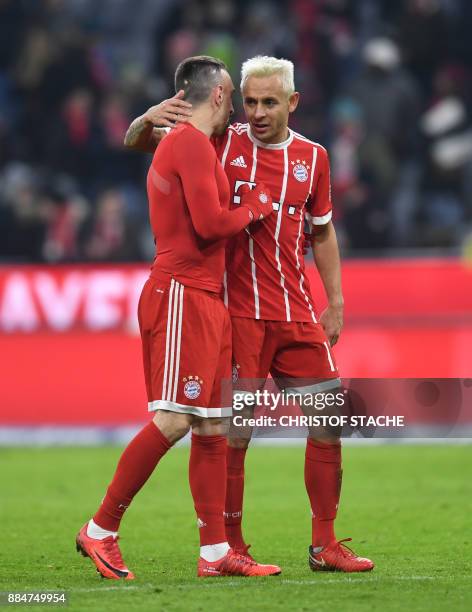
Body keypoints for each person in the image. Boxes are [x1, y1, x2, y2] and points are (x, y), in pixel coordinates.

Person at [125, 55, 374, 573]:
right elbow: (143, 145)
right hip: (236, 314)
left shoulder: (315, 157)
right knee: (234, 432)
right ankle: (231, 545)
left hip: (296, 311)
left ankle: (324, 544)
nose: (257, 112)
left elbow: (322, 232)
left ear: (293, 102)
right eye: (251, 101)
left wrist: (337, 300)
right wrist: (147, 119)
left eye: (269, 102)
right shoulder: (220, 140)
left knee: (329, 420)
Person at [76, 55, 280, 580]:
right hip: (182, 292)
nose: (236, 103)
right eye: (231, 93)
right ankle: (100, 529)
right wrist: (255, 206)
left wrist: (142, 124)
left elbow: (140, 142)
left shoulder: (195, 144)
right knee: (173, 419)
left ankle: (214, 554)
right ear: (215, 94)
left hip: (208, 297)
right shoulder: (188, 143)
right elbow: (212, 225)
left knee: (212, 425)